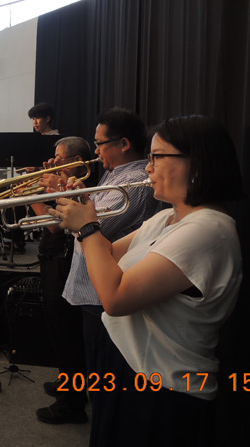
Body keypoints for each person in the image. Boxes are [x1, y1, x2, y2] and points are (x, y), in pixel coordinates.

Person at [54, 115, 243, 446]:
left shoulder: (208, 229)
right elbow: (107, 256)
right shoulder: (167, 217)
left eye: (157, 157)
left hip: (163, 386)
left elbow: (115, 299)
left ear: (196, 163)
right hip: (128, 365)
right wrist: (84, 211)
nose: (148, 168)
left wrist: (87, 227)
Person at [42, 107, 161, 424]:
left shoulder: (134, 181)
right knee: (88, 362)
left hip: (102, 293)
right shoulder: (115, 175)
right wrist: (68, 193)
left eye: (100, 144)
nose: (95, 152)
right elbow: (87, 218)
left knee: (102, 381)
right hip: (89, 286)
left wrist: (65, 199)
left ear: (123, 144)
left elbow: (92, 229)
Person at [28, 137, 94, 425]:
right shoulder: (68, 184)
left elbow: (55, 226)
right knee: (59, 331)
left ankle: (72, 403)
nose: (53, 162)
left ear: (76, 161)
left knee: (67, 334)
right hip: (54, 258)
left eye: (59, 158)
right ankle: (67, 383)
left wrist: (33, 196)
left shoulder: (80, 187)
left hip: (63, 261)